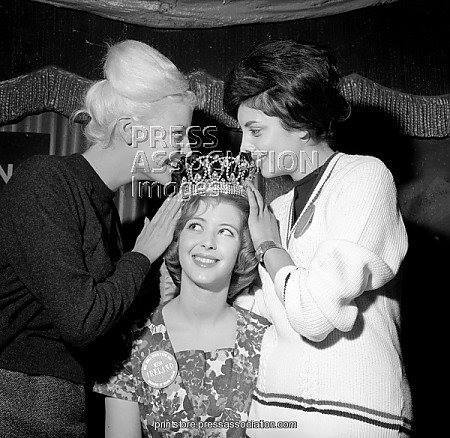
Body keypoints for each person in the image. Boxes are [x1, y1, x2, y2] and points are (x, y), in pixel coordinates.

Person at [0, 40, 195, 437]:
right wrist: (142, 256)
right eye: (178, 135)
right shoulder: (46, 181)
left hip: (62, 398)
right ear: (130, 131)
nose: (187, 149)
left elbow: (102, 334)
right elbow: (82, 320)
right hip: (21, 398)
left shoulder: (103, 209)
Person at [224, 40, 413, 437]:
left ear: (300, 121)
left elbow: (315, 316)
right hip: (275, 416)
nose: (245, 147)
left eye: (255, 131)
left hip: (352, 418)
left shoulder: (364, 177)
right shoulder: (276, 209)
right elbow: (263, 312)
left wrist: (269, 248)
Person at [93, 154, 271, 438]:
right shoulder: (130, 341)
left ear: (243, 248)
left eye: (225, 232)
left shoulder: (266, 339)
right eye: (195, 226)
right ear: (177, 238)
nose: (207, 242)